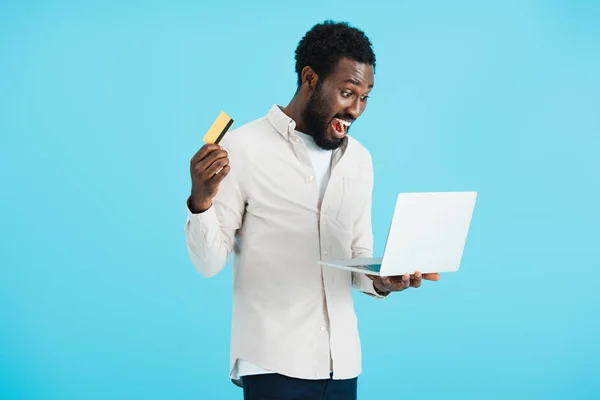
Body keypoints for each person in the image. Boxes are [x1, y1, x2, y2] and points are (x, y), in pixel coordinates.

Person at [184, 20, 440, 400]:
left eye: (365, 96)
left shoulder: (360, 161)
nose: (356, 109)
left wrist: (385, 280)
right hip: (273, 364)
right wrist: (201, 200)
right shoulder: (242, 149)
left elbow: (356, 260)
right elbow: (208, 264)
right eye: (347, 92)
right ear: (309, 78)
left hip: (343, 366)